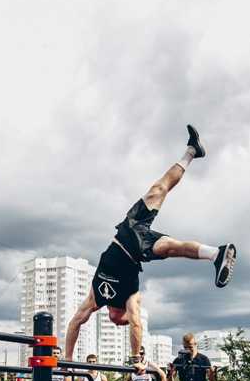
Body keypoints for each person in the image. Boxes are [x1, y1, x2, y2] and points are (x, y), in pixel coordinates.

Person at [64, 125, 237, 362]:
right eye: (120, 323)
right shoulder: (130, 298)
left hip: (129, 230)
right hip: (138, 247)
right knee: (171, 246)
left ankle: (192, 151)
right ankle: (216, 254)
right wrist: (135, 358)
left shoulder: (97, 298)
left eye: (116, 321)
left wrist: (67, 358)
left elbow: (75, 322)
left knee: (160, 189)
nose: (115, 323)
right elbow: (135, 322)